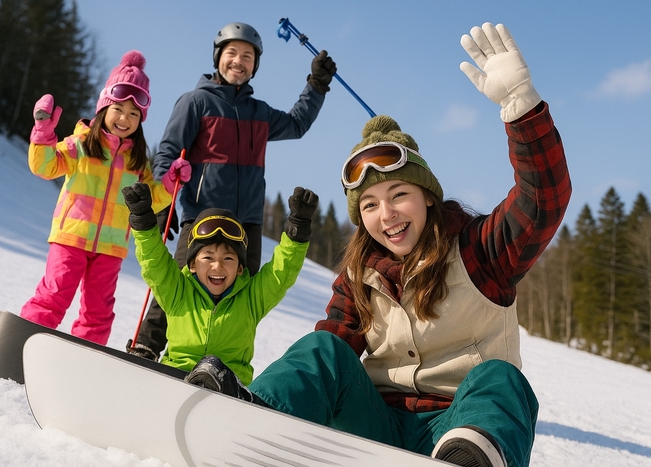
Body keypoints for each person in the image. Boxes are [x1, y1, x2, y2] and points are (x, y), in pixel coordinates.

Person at [184, 23, 572, 467]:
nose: (386, 215)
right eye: (369, 205)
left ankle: (473, 459)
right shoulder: (360, 273)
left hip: (460, 426)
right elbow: (329, 357)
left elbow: (543, 200)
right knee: (323, 349)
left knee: (500, 379)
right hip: (375, 429)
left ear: (428, 197)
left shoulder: (479, 250)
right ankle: (251, 423)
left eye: (399, 195)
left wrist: (522, 110)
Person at [127, 21, 337, 360]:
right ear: (218, 57)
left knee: (240, 296)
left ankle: (227, 364)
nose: (239, 61)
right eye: (232, 53)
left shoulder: (259, 112)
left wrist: (317, 85)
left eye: (247, 56)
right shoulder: (196, 102)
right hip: (202, 215)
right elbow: (168, 152)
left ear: (255, 65)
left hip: (247, 221)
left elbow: (297, 124)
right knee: (179, 285)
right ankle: (147, 347)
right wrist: (162, 202)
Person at [20, 51, 191, 345]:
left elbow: (151, 200)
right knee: (54, 294)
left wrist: (170, 182)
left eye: (134, 114)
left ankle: (85, 357)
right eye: (119, 109)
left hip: (110, 248)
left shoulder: (137, 161)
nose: (125, 118)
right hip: (71, 238)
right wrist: (43, 133)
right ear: (104, 107)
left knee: (98, 311)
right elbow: (44, 166)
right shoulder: (82, 144)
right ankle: (23, 342)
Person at [122, 181, 318, 390]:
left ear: (240, 268)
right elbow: (155, 262)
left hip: (229, 389)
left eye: (228, 258)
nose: (217, 266)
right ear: (192, 265)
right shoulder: (178, 291)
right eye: (208, 257)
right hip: (176, 380)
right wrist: (143, 220)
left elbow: (282, 272)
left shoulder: (251, 300)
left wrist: (297, 228)